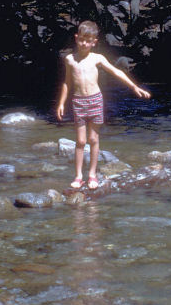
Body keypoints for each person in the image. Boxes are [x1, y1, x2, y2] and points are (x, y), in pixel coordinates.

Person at [56, 20, 151, 190]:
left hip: (95, 101)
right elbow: (67, 83)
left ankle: (91, 175)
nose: (84, 43)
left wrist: (134, 86)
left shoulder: (97, 58)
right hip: (78, 101)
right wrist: (61, 103)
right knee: (80, 140)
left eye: (88, 40)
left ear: (94, 42)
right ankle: (78, 176)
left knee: (93, 139)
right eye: (81, 39)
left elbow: (116, 71)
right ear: (76, 38)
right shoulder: (69, 59)